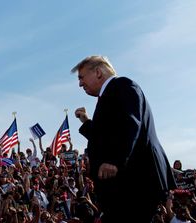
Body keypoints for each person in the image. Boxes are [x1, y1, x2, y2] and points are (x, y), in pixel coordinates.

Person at [72, 55, 177, 222]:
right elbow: (107, 136)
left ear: (98, 72)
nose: (80, 83)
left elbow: (131, 122)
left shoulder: (123, 85)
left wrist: (115, 160)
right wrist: (86, 121)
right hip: (125, 183)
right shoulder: (110, 94)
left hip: (135, 182)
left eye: (81, 77)